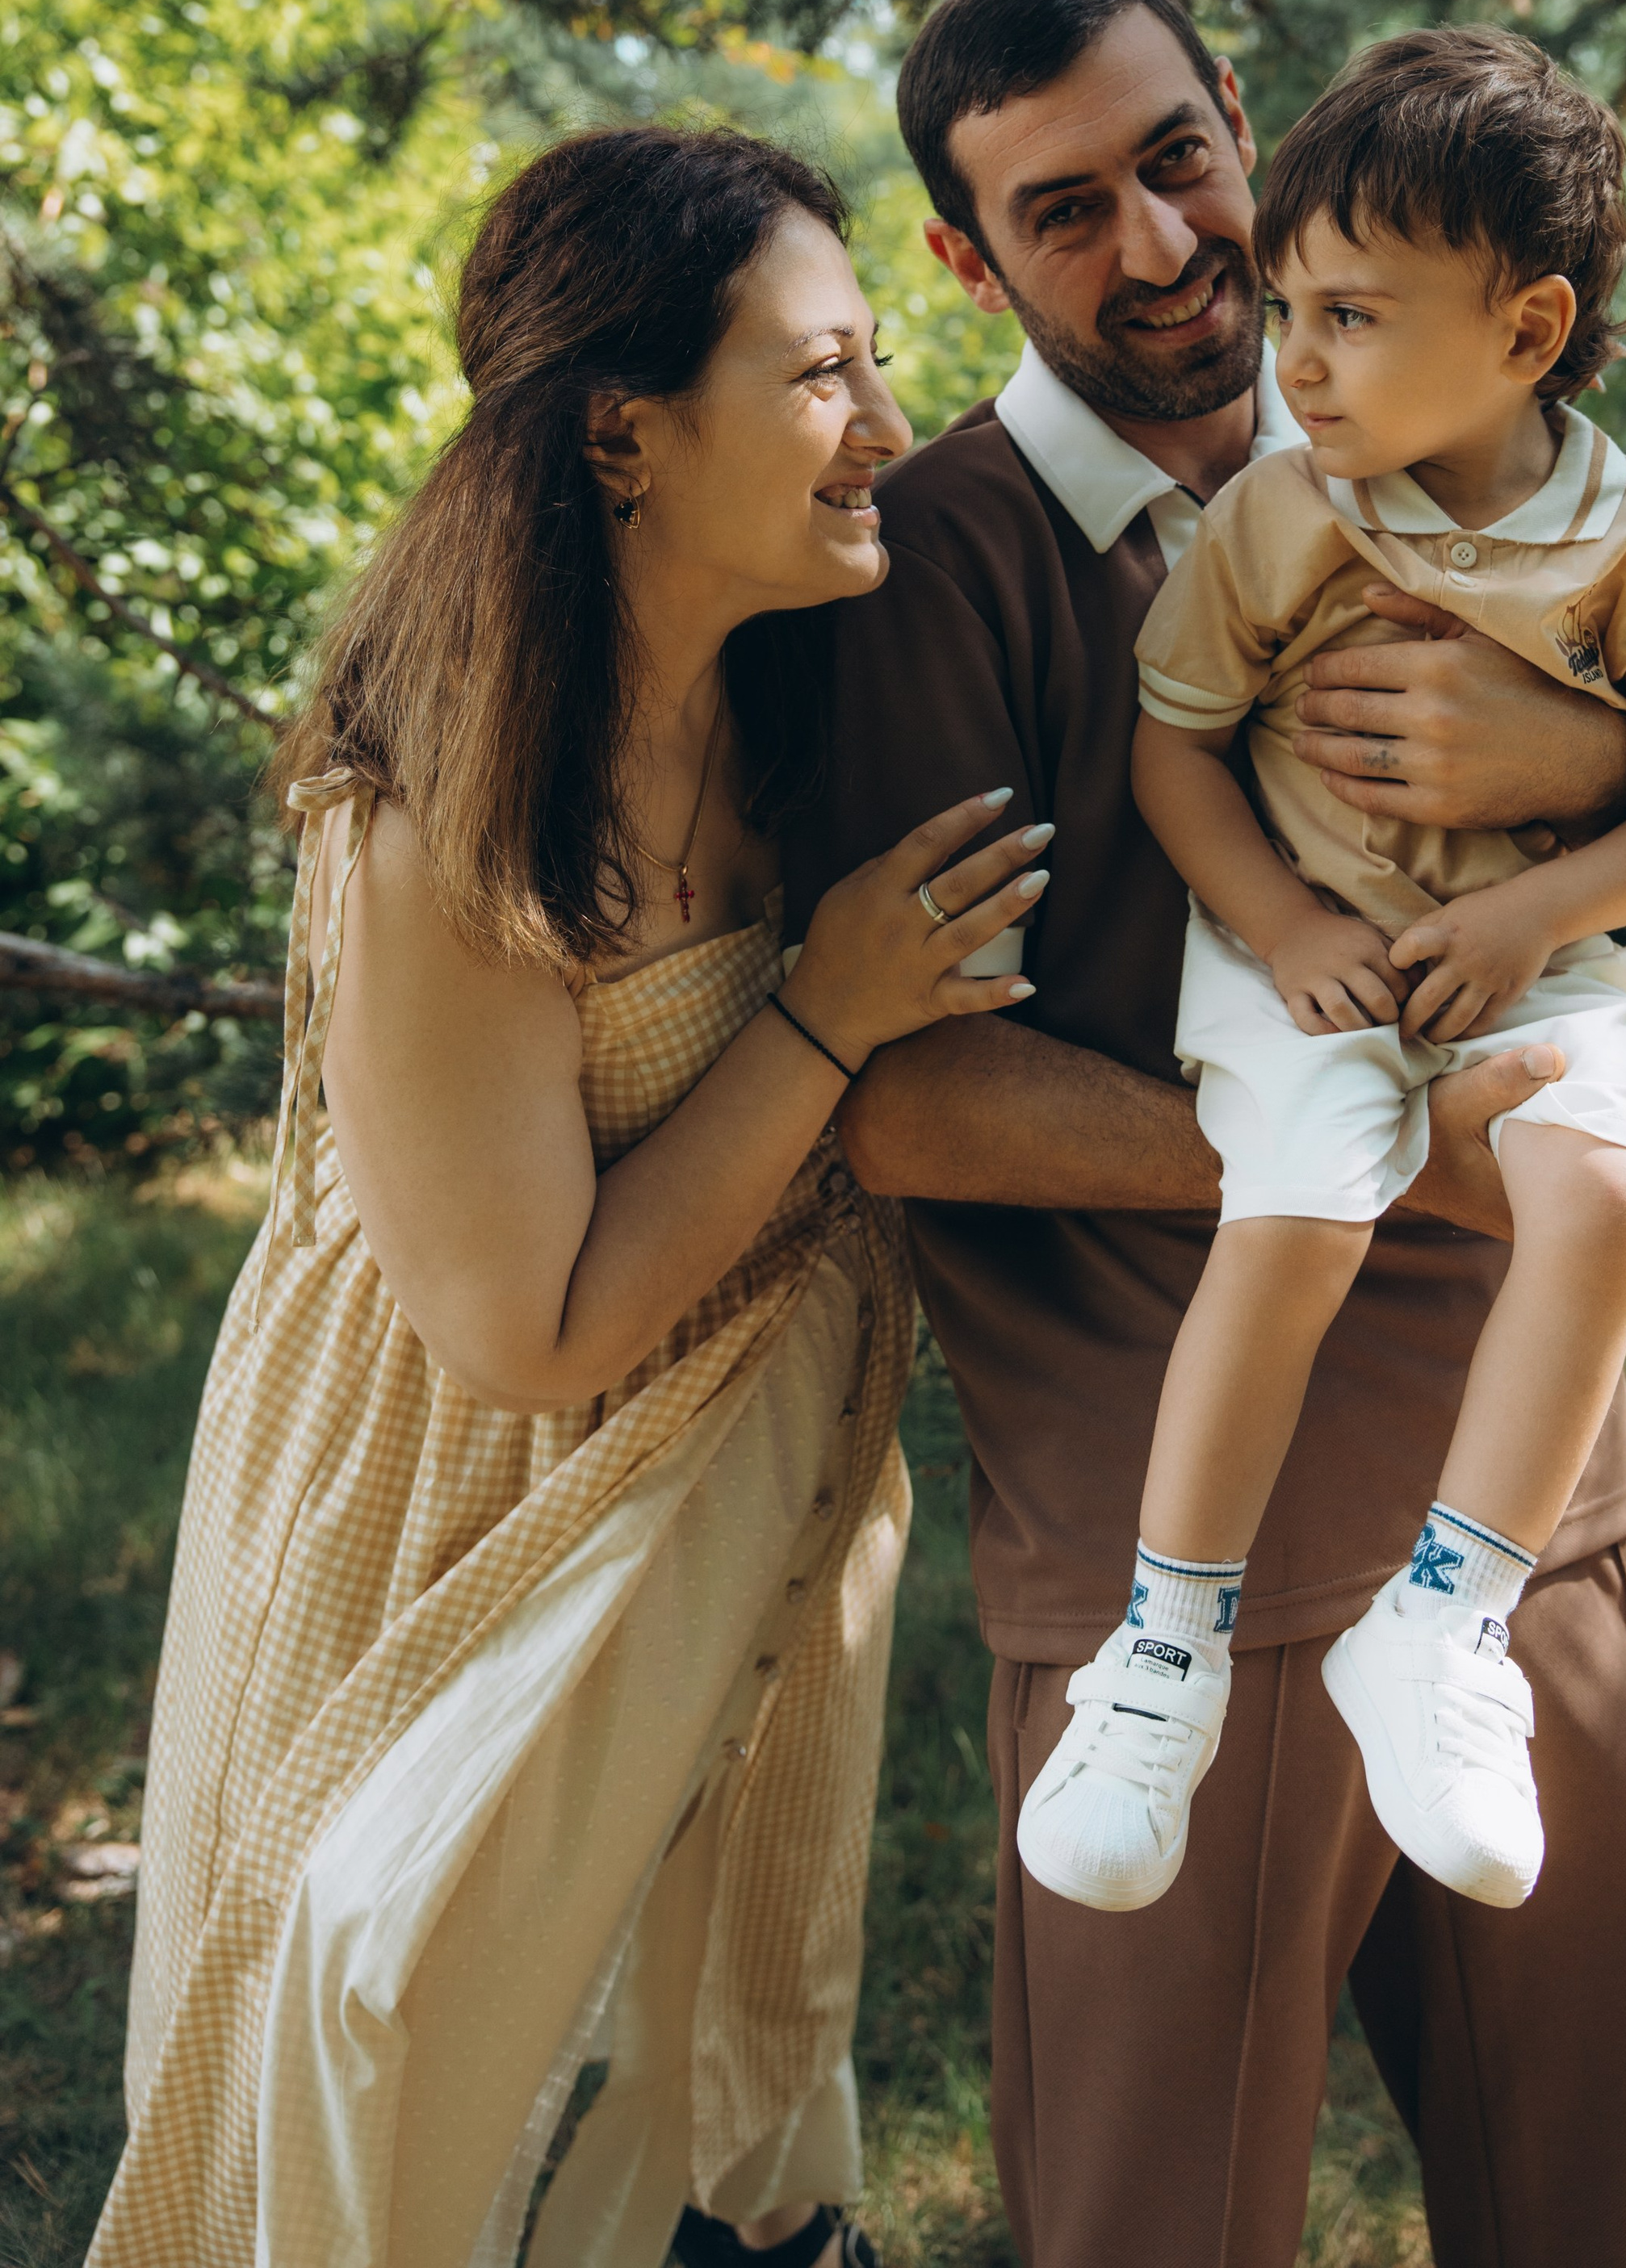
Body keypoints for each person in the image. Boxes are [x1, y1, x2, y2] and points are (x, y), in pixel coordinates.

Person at [785, 0, 1626, 2268]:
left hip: (1528, 1521)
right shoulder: (932, 565)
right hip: (1180, 1572)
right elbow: (902, 1100)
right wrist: (1335, 1160)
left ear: (1241, 121)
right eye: (1062, 211)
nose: (1159, 243)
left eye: (1177, 159)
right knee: (1162, 2230)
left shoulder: (1474, 439)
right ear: (963, 257)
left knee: (1613, 2213)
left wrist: (1576, 773)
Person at [90, 127, 1053, 2268]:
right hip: (444, 1478)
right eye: (823, 377)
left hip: (734, 1467)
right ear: (625, 435)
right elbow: (529, 1326)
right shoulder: (438, 803)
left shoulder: (808, 691)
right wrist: (825, 1014)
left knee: (701, 2044)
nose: (886, 427)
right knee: (381, 1986)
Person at [1018, 27, 1626, 1924]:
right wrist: (1282, 929)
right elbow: (1170, 749)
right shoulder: (1288, 514)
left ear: (1525, 332)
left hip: (1530, 981)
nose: (1293, 360)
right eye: (1287, 305)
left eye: (1349, 317)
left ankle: (1447, 1621)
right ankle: (1159, 1657)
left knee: (1607, 1186)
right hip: (1310, 972)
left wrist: (1537, 915)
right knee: (1294, 1220)